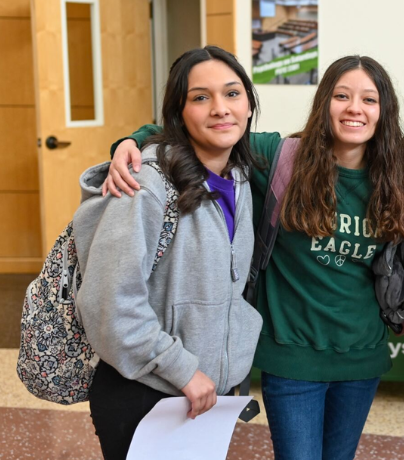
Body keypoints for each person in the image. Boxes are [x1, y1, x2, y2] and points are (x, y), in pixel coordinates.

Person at [103, 55, 404, 460]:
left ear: (384, 111)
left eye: (369, 100)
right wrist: (129, 141)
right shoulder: (282, 158)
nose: (355, 108)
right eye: (341, 96)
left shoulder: (397, 173)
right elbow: (195, 130)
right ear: (324, 104)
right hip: (291, 358)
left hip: (362, 358)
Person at [74, 46, 263, 459]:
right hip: (146, 392)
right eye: (200, 97)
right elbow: (109, 302)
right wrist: (182, 369)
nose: (220, 109)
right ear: (179, 112)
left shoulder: (241, 178)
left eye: (232, 94)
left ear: (249, 104)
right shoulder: (146, 183)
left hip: (205, 393)